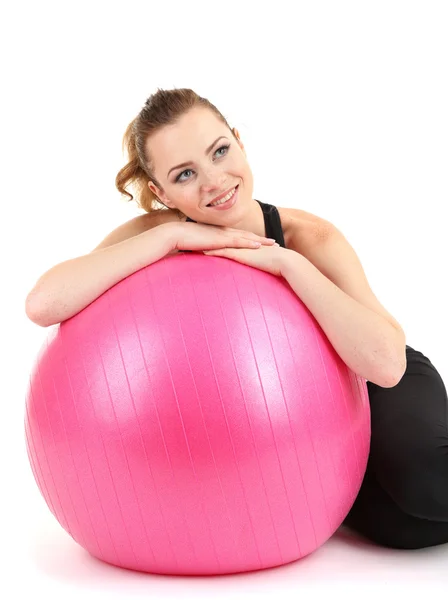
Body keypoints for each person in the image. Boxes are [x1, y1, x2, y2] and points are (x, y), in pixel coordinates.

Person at [25, 87, 448, 550]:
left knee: (423, 483)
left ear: (240, 142)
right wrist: (169, 239)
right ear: (159, 192)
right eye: (185, 174)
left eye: (220, 151)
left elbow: (386, 365)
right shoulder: (154, 233)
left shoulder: (309, 237)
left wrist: (289, 265)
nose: (213, 181)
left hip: (370, 384)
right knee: (405, 530)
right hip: (293, 428)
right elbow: (43, 304)